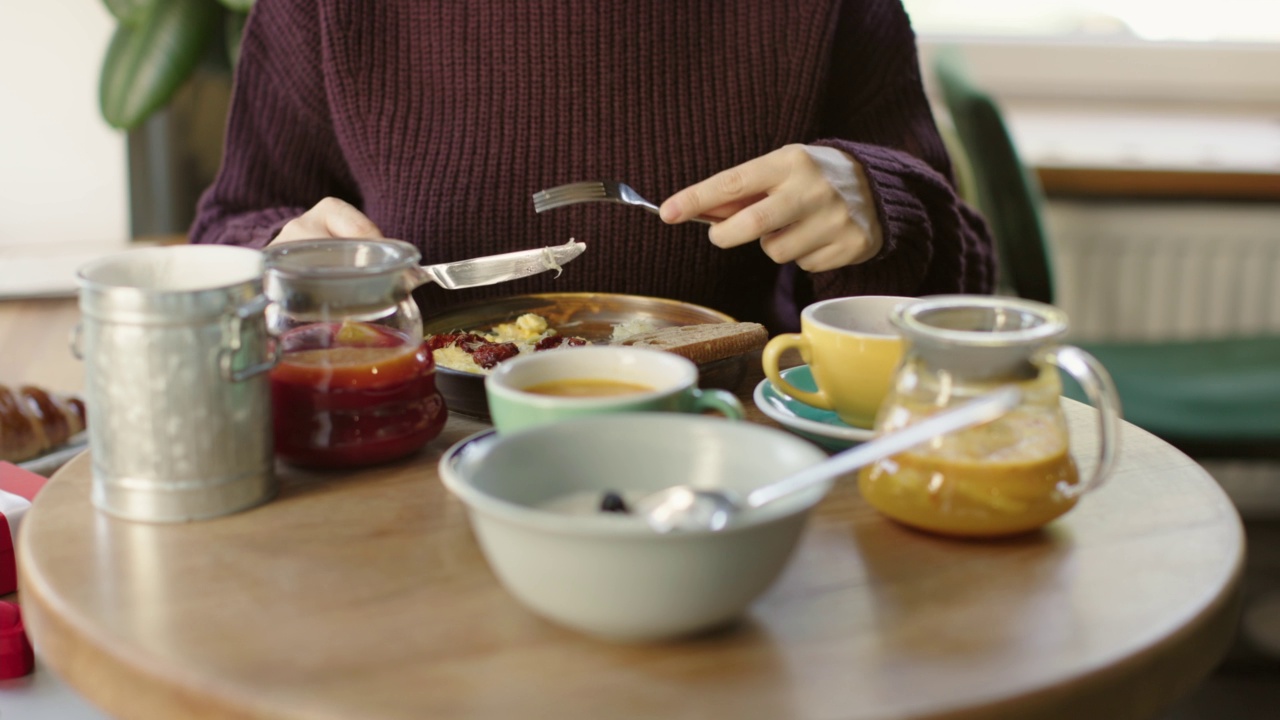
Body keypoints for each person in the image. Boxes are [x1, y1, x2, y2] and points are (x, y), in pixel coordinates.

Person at [191, 0, 995, 333]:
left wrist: (886, 209)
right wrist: (284, 252)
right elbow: (229, 231)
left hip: (728, 484)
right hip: (400, 477)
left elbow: (965, 299)